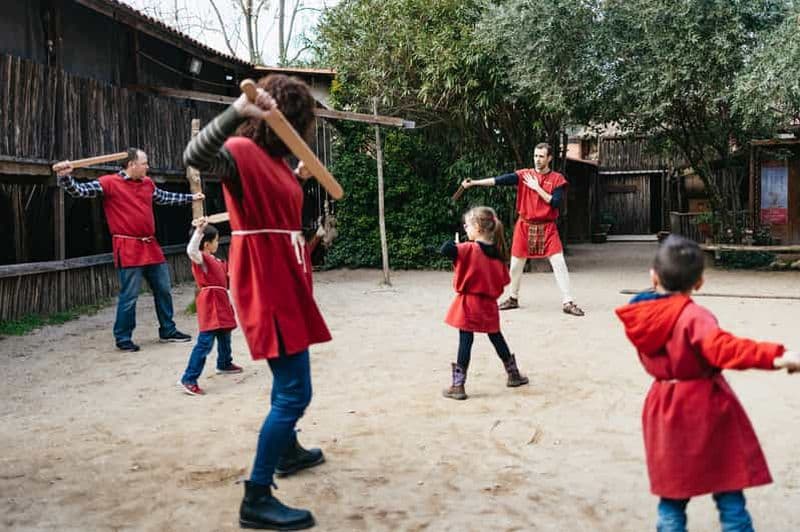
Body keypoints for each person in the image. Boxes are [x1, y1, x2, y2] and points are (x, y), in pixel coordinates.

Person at [183, 74, 329, 530]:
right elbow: (195, 157)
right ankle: (256, 496)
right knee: (294, 390)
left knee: (289, 378)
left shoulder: (282, 163)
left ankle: (287, 449)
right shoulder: (243, 154)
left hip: (287, 276)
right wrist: (236, 112)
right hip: (265, 280)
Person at [615, 235, 800, 531]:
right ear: (700, 282)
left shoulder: (641, 316)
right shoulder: (692, 316)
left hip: (664, 408)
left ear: (653, 277)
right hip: (705, 409)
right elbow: (726, 348)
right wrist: (777, 356)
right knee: (729, 491)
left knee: (672, 499)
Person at [53, 149, 201, 351]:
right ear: (131, 164)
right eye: (144, 163)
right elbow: (79, 191)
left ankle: (168, 330)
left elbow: (164, 197)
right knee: (129, 296)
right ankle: (123, 338)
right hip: (128, 247)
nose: (147, 167)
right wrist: (65, 177)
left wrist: (193, 198)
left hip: (151, 245)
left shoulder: (147, 183)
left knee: (164, 289)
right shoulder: (109, 183)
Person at [461, 143, 584, 316]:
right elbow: (499, 180)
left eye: (541, 156)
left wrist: (537, 188)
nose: (537, 159)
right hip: (525, 225)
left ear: (549, 158)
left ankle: (568, 301)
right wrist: (474, 183)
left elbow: (555, 202)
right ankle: (513, 298)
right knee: (516, 265)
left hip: (547, 227)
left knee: (559, 263)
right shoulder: (524, 175)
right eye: (535, 155)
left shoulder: (557, 179)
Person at [440, 206, 528, 400]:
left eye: (468, 225)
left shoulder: (468, 248)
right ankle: (513, 374)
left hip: (468, 304)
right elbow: (504, 280)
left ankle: (458, 385)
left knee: (466, 341)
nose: (465, 227)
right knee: (496, 338)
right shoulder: (497, 255)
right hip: (488, 305)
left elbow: (445, 249)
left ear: (478, 227)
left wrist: (454, 246)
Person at [178, 220, 242, 396]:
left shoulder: (218, 261)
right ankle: (189, 378)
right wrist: (199, 231)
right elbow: (191, 250)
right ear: (207, 244)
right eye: (216, 241)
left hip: (221, 300)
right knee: (205, 342)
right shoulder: (201, 257)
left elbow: (231, 276)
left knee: (225, 333)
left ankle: (224, 363)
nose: (217, 243)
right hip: (210, 302)